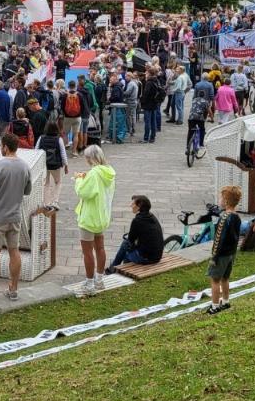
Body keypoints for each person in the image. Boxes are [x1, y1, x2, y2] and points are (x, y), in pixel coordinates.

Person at [0, 133, 33, 301]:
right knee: (14, 252)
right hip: (15, 216)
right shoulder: (25, 166)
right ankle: (13, 289)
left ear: (5, 147)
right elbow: (28, 191)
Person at [74, 144, 116, 294]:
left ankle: (90, 283)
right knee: (100, 248)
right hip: (102, 216)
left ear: (91, 158)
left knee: (87, 252)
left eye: (86, 158)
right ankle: (99, 279)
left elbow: (84, 193)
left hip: (89, 217)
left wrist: (79, 180)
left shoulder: (94, 173)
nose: (86, 161)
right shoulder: (108, 172)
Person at [205, 185, 243, 315]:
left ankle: (215, 306)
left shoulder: (224, 218)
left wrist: (214, 257)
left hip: (221, 255)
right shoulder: (237, 217)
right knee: (225, 278)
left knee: (215, 279)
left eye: (221, 198)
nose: (220, 200)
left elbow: (218, 239)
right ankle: (226, 301)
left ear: (226, 201)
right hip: (231, 253)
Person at [108, 194, 164, 269]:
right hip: (157, 256)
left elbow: (130, 240)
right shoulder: (151, 216)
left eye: (133, 204)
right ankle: (114, 268)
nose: (130, 205)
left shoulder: (137, 220)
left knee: (125, 246)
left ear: (139, 207)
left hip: (147, 259)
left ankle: (112, 269)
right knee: (127, 248)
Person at [36, 120, 67, 210]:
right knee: (57, 182)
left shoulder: (41, 138)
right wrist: (66, 165)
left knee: (46, 183)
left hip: (44, 165)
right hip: (55, 165)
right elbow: (63, 153)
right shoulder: (59, 139)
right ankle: (55, 202)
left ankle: (46, 202)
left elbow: (36, 150)